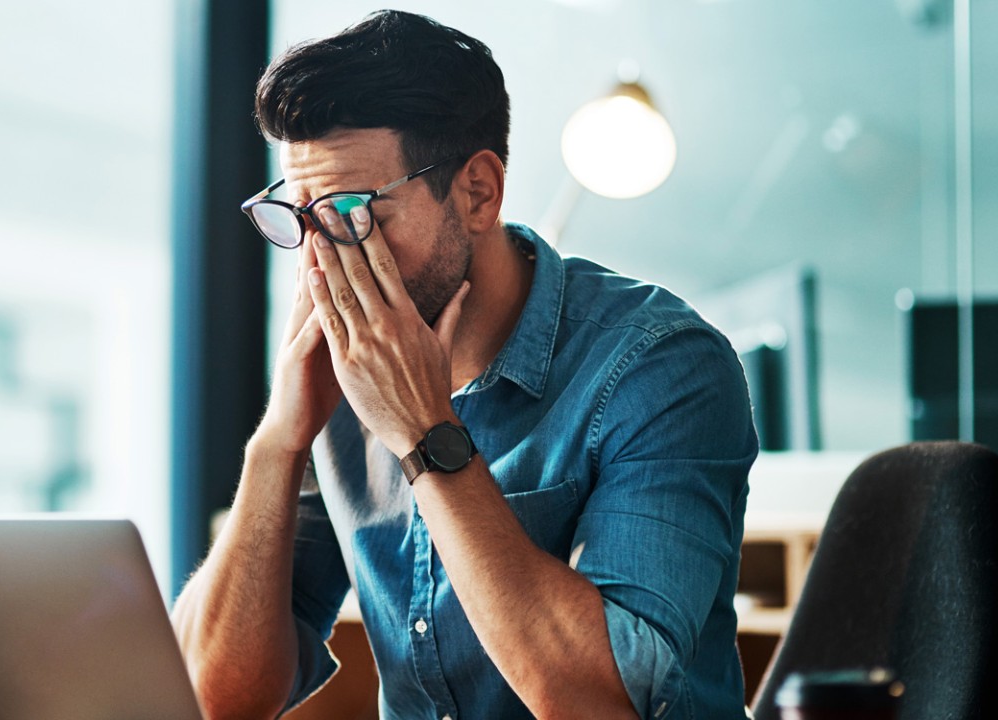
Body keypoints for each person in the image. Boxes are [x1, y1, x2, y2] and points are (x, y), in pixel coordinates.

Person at [171, 10, 758, 720]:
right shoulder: (341, 381)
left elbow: (604, 703)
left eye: (353, 214)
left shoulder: (661, 368)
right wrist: (280, 438)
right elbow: (215, 697)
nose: (327, 260)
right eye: (301, 219)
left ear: (478, 192)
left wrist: (424, 433)